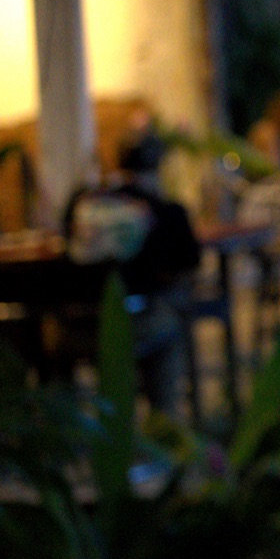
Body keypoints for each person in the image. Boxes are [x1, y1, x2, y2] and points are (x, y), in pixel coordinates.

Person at [63, 129, 202, 414]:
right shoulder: (168, 211)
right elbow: (190, 261)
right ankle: (165, 428)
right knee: (168, 325)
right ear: (159, 166)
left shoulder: (82, 203)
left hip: (80, 328)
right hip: (136, 325)